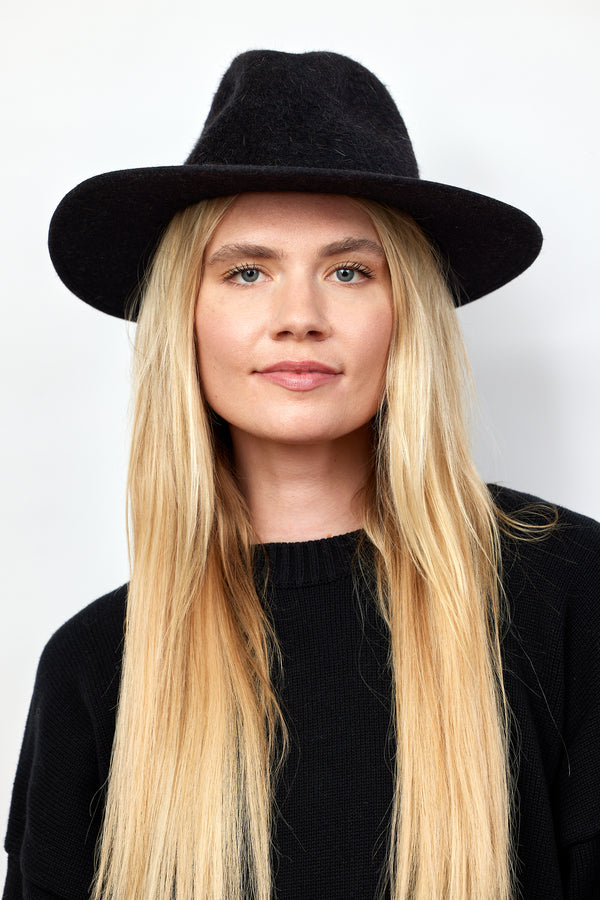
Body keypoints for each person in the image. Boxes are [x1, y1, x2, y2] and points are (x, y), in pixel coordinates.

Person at [3, 49, 599, 900]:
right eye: (247, 271)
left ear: (409, 316)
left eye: (349, 272)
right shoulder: (99, 668)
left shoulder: (570, 598)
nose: (299, 319)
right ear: (187, 315)